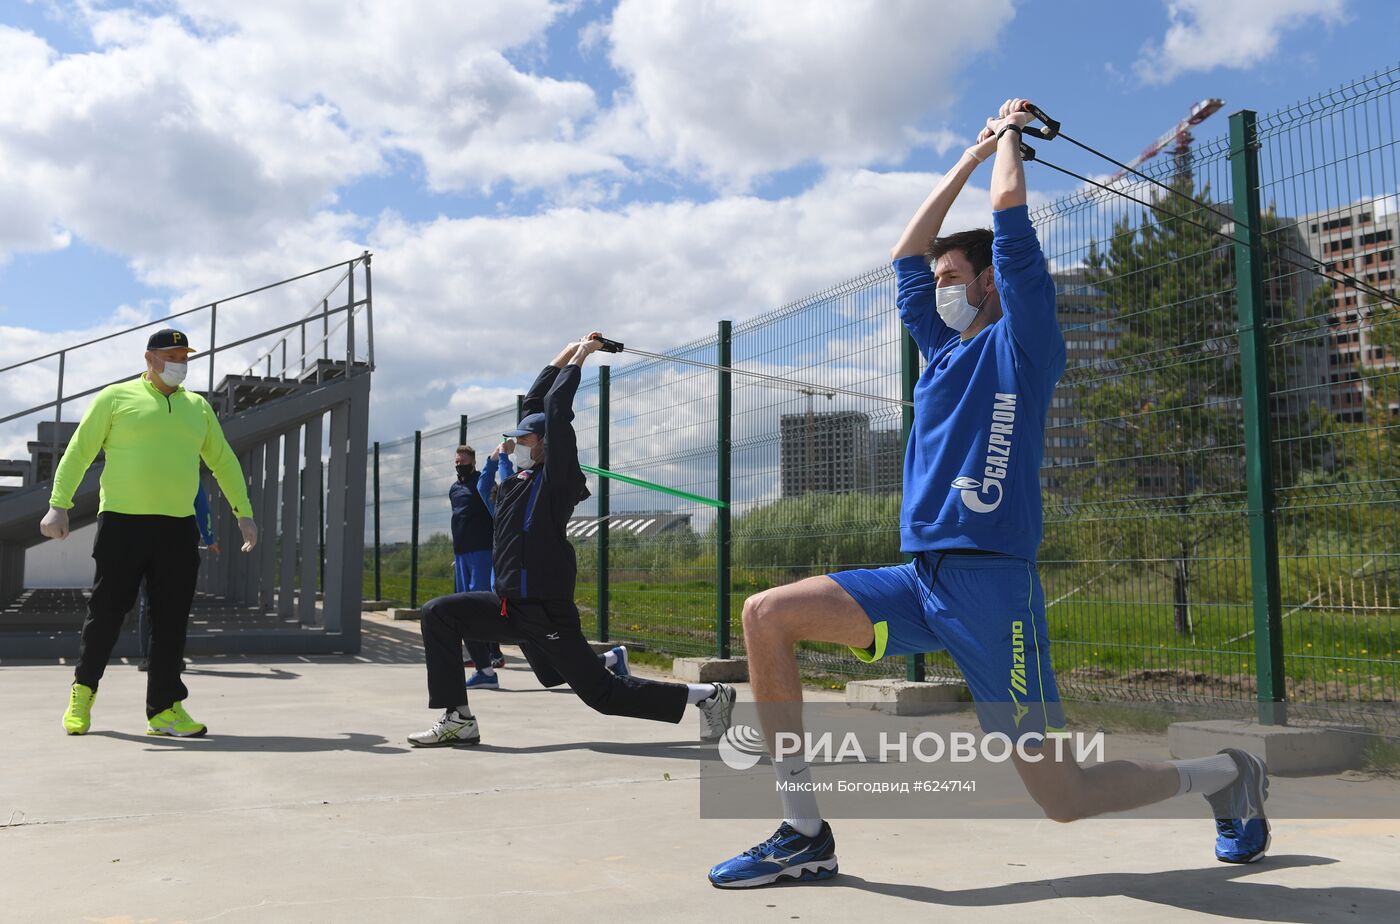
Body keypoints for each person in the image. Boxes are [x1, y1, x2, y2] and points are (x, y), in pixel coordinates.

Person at [707, 99, 1270, 889]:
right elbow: (903, 253)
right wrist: (968, 159)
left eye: (952, 279)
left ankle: (1225, 775)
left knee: (1064, 797)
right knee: (766, 614)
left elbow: (1010, 216)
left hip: (993, 591)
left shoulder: (1025, 340)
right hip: (922, 577)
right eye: (938, 281)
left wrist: (1008, 138)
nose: (937, 289)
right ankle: (804, 832)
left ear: (990, 287)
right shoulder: (939, 351)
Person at [407, 333, 734, 747]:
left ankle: (709, 695)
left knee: (602, 695)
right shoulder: (518, 481)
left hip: (545, 611)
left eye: (524, 441)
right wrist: (569, 347)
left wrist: (583, 356)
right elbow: (536, 402)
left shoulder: (557, 480)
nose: (515, 446)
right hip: (509, 605)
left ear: (544, 447)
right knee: (439, 613)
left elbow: (555, 412)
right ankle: (459, 718)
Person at [41, 327, 258, 738]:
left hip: (177, 528)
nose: (180, 363)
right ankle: (82, 693)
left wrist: (242, 513)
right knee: (107, 612)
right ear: (150, 358)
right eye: (172, 356)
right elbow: (79, 451)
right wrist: (58, 504)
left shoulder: (198, 408)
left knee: (171, 620)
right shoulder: (115, 398)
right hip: (123, 523)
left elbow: (224, 461)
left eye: (184, 356)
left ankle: (165, 710)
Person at [136, 482, 219, 671]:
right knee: (176, 605)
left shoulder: (148, 469)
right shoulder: (187, 471)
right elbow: (202, 507)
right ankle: (172, 657)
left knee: (147, 602)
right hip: (178, 545)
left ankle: (147, 658)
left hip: (145, 541)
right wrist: (209, 538)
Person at [448, 443, 507, 688]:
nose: (459, 465)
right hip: (461, 553)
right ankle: (477, 654)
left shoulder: (482, 484)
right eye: (456, 462)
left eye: (463, 462)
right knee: (464, 602)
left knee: (481, 602)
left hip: (482, 552)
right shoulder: (454, 489)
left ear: (472, 462)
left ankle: (494, 653)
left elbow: (496, 512)